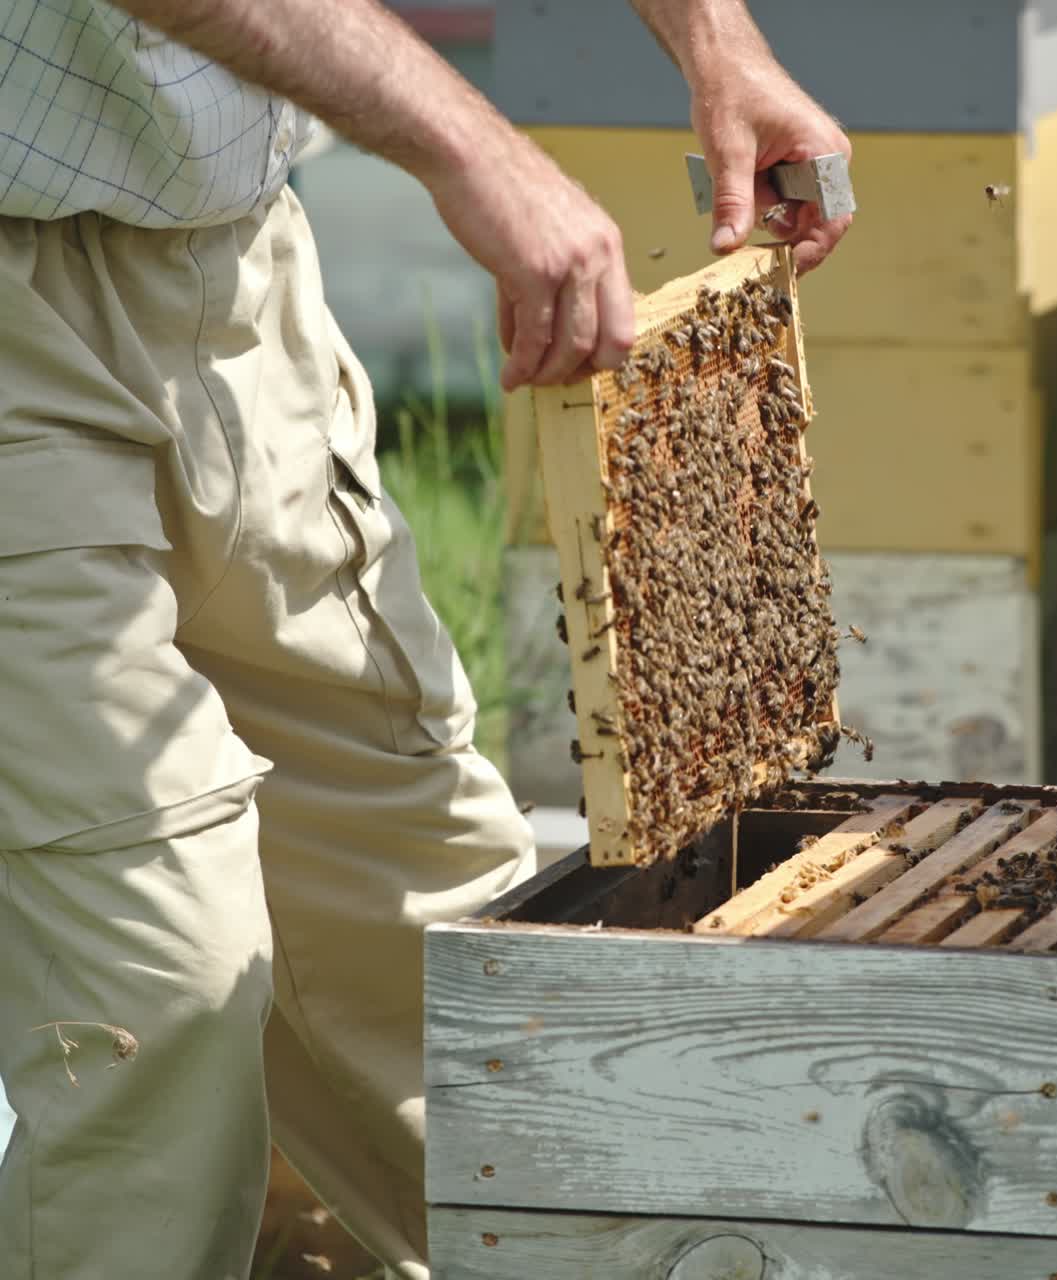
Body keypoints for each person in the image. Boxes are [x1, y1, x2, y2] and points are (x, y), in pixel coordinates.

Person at [0, 1, 852, 1275]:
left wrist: (716, 42)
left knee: (428, 925)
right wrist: (471, 145)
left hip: (233, 273)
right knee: (158, 986)